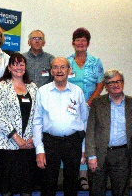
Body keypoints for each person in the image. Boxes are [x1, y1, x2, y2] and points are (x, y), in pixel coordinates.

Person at [33, 57, 88, 196]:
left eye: (63, 67)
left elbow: (84, 120)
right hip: (50, 142)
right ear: (51, 71)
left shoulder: (78, 92)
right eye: (56, 67)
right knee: (48, 184)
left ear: (69, 70)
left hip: (73, 142)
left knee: (71, 184)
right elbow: (37, 121)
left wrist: (83, 148)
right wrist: (39, 150)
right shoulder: (42, 92)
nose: (59, 70)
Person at [85, 69, 132, 196]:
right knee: (97, 190)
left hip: (122, 154)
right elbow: (90, 130)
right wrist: (91, 156)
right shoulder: (98, 102)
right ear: (106, 87)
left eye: (118, 81)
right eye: (111, 83)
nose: (116, 85)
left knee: (121, 191)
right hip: (99, 153)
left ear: (123, 83)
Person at [0, 53, 38, 196]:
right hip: (8, 145)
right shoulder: (2, 86)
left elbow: (39, 114)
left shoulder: (33, 87)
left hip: (29, 145)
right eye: (15, 64)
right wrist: (17, 139)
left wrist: (32, 138)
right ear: (9, 67)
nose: (19, 67)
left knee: (27, 187)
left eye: (22, 64)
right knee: (8, 188)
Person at [67, 27, 104, 188]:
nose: (80, 43)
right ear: (73, 43)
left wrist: (89, 102)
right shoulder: (67, 62)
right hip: (71, 108)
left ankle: (83, 176)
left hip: (90, 107)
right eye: (78, 40)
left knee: (87, 139)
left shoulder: (95, 62)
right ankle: (70, 173)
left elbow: (101, 84)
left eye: (83, 40)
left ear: (88, 43)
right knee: (72, 139)